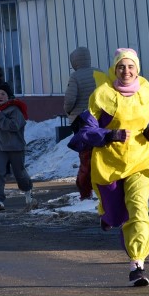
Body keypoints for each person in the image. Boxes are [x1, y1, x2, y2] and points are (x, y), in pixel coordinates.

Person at [67, 48, 149, 286]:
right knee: (116, 214)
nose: (126, 71)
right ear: (114, 69)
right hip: (109, 163)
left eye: (131, 66)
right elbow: (86, 132)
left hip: (140, 160)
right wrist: (110, 135)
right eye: (121, 66)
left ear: (137, 69)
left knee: (138, 209)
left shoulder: (145, 90)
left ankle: (137, 264)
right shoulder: (102, 94)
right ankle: (108, 214)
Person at [0, 83, 35, 211]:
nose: (0, 97)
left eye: (3, 94)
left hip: (15, 147)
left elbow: (14, 126)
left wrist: (0, 118)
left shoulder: (15, 109)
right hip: (0, 147)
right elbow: (1, 124)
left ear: (8, 95)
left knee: (19, 174)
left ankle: (28, 191)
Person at [63, 47, 102, 200]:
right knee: (99, 153)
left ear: (74, 61)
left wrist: (68, 111)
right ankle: (101, 185)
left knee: (85, 155)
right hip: (99, 119)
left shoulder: (75, 77)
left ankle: (85, 191)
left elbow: (70, 99)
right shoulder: (99, 72)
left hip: (81, 120)